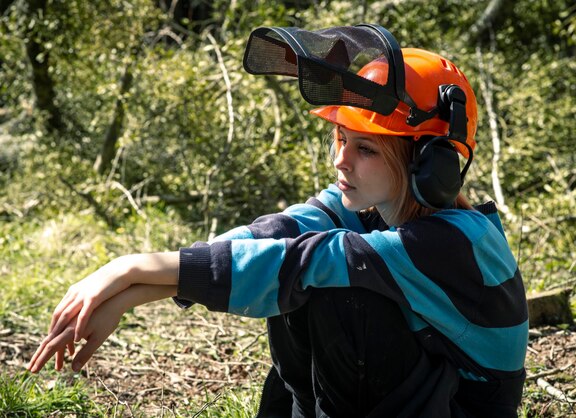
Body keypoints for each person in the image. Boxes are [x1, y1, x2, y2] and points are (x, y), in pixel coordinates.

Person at [28, 25, 528, 417]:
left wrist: (131, 268)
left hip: (459, 409)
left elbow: (302, 262)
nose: (340, 161)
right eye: (338, 139)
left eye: (365, 147)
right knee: (312, 269)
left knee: (334, 285)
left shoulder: (451, 242)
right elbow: (276, 234)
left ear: (430, 162)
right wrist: (133, 288)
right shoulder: (377, 210)